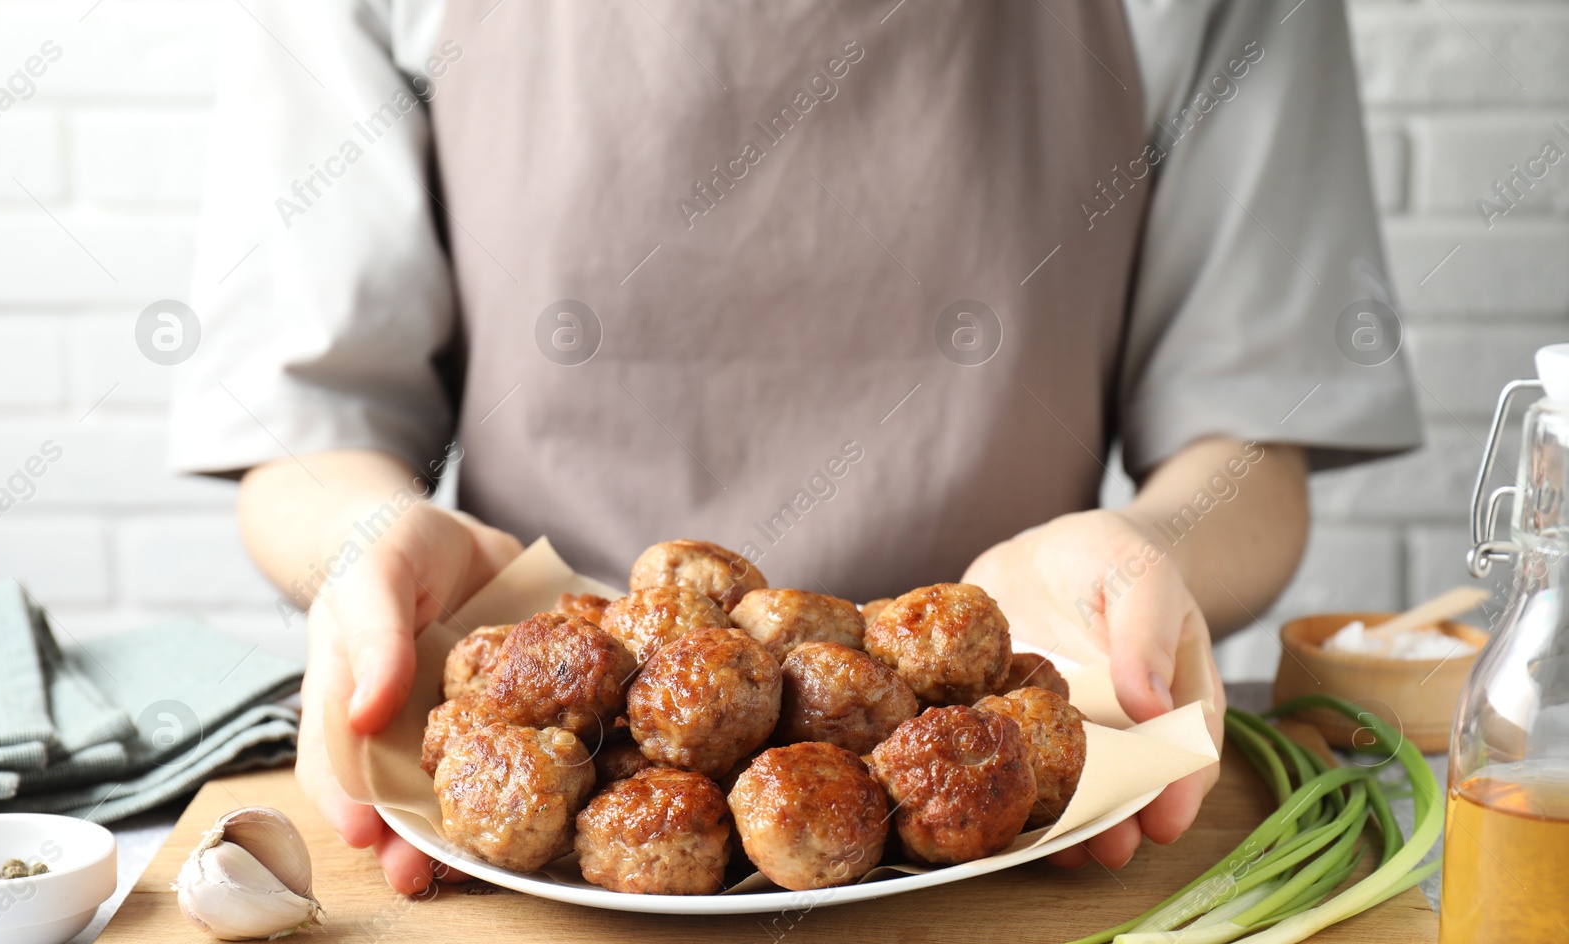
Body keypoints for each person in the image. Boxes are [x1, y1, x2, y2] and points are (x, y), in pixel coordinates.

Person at [170, 0, 1421, 894]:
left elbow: (1254, 435)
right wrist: (367, 541)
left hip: (1015, 753)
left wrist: (1152, 548)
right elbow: (309, 425)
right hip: (569, 754)